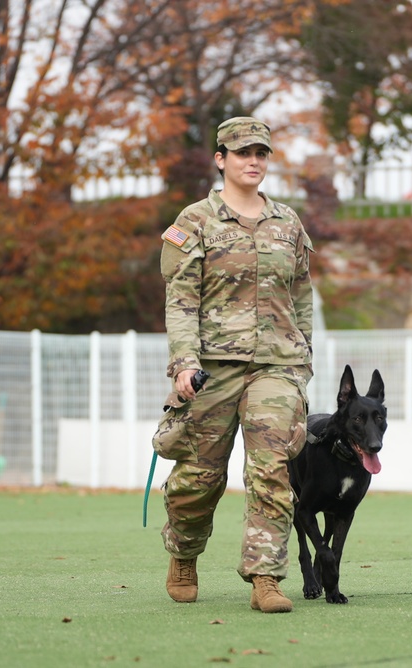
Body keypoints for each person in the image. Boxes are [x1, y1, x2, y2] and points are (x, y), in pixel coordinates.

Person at [152, 116, 313, 613]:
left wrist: (303, 356)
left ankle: (265, 576)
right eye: (242, 153)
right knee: (199, 479)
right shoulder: (196, 220)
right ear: (220, 159)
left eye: (261, 153)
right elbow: (180, 300)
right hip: (212, 368)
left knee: (272, 471)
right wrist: (184, 363)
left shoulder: (288, 223)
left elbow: (302, 294)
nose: (253, 162)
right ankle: (184, 553)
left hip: (277, 367)